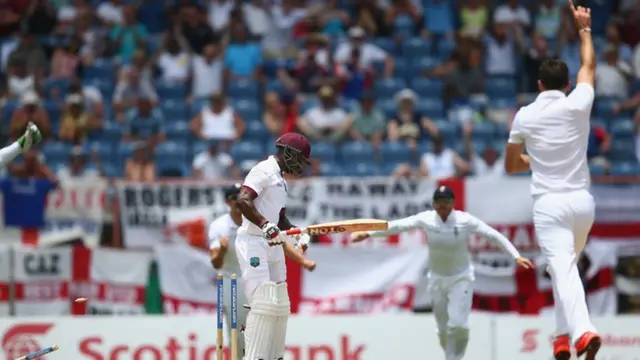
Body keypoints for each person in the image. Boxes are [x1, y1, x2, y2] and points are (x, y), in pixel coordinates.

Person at [503, 2, 600, 359]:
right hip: (582, 204)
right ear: (567, 84)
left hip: (549, 206)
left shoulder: (525, 116)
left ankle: (583, 331)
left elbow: (512, 165)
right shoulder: (579, 102)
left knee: (563, 271)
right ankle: (561, 337)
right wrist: (584, 29)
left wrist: (533, 157)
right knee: (564, 269)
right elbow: (590, 64)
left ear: (539, 84)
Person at [351, 186, 533, 360]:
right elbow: (397, 226)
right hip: (437, 279)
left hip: (460, 278)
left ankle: (454, 358)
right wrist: (368, 233)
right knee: (443, 329)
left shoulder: (465, 220)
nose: (443, 206)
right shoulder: (427, 219)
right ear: (433, 204)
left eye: (446, 201)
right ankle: (450, 355)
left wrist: (516, 256)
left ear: (453, 202)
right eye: (439, 202)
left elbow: (493, 235)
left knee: (459, 325)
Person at [208, 183, 316, 357]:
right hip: (232, 281)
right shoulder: (219, 226)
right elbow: (215, 263)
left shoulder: (256, 221)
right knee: (237, 333)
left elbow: (279, 243)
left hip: (257, 279)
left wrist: (303, 261)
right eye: (237, 198)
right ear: (229, 202)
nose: (241, 201)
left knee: (262, 329)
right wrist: (221, 250)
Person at [235, 132, 312, 360]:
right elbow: (243, 200)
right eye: (300, 159)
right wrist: (264, 224)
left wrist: (298, 233)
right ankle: (255, 356)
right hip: (253, 241)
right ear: (289, 153)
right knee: (263, 300)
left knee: (280, 300)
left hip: (273, 241)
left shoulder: (281, 180)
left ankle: (275, 356)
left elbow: (280, 219)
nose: (300, 166)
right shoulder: (264, 170)